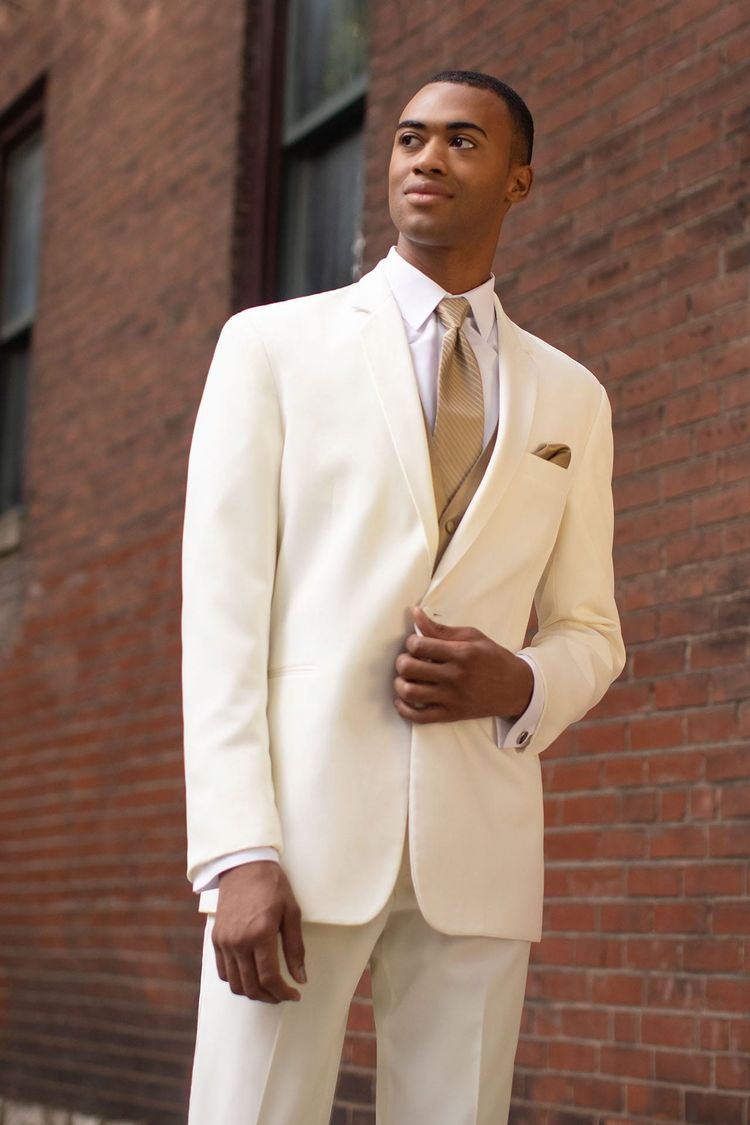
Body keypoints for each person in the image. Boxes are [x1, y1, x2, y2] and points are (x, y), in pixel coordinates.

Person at [182, 69, 625, 1125]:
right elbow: (222, 615)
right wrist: (237, 851)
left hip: (479, 848)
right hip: (296, 844)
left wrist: (516, 677)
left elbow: (591, 632)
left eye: (462, 141)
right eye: (411, 139)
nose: (426, 158)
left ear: (519, 180)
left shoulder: (573, 397)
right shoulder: (271, 348)